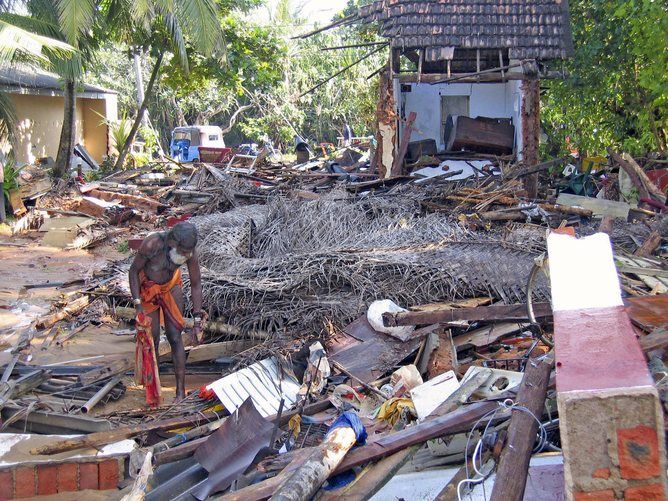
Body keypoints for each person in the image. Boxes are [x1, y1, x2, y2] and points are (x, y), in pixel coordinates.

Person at [129, 222, 205, 401]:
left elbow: (196, 284)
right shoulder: (152, 244)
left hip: (171, 286)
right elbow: (133, 271)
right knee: (151, 339)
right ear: (172, 243)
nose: (187, 255)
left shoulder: (190, 253)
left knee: (175, 336)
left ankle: (180, 392)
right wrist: (137, 304)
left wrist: (197, 319)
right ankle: (153, 391)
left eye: (189, 252)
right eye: (184, 251)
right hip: (147, 288)